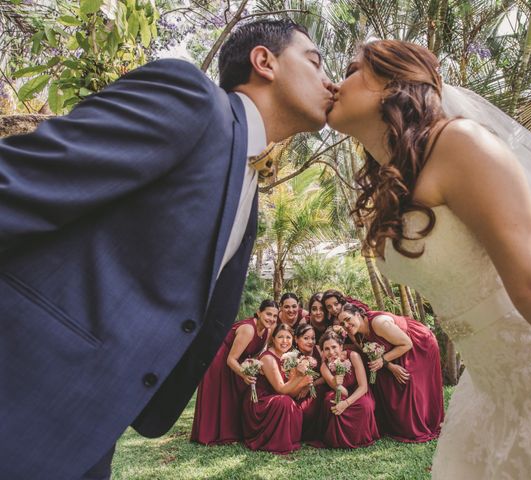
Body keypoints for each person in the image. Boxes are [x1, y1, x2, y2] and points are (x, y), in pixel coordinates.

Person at [0, 19, 336, 479]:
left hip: (90, 423)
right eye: (315, 63)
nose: (329, 81)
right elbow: (21, 183)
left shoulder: (248, 183)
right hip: (23, 383)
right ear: (264, 62)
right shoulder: (194, 99)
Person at [328, 39, 531, 477]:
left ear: (393, 83)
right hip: (497, 388)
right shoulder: (395, 184)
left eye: (352, 69)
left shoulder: (460, 143)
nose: (335, 83)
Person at [338, 303, 444, 443]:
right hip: (397, 348)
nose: (346, 324)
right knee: (389, 380)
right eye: (342, 323)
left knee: (411, 382)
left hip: (419, 343)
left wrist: (382, 361)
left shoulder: (379, 323)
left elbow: (407, 344)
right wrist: (389, 365)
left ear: (358, 314)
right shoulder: (355, 333)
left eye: (347, 319)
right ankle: (399, 422)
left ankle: (427, 421)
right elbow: (370, 353)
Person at [190, 299, 277, 445]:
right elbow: (231, 359)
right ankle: (210, 434)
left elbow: (255, 354)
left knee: (233, 396)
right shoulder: (248, 329)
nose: (272, 319)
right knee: (219, 396)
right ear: (259, 312)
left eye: (275, 316)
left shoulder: (267, 331)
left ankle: (231, 432)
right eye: (268, 314)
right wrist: (244, 374)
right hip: (220, 360)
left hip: (237, 362)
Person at [242, 324, 310, 454]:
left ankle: (289, 439)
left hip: (277, 398)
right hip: (260, 402)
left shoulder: (289, 358)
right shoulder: (268, 358)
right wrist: (299, 378)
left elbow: (291, 393)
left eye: (288, 337)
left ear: (293, 339)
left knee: (291, 402)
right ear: (273, 339)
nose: (285, 341)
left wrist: (302, 383)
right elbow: (280, 389)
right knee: (284, 402)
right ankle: (276, 442)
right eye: (280, 337)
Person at [310, 330, 379, 449]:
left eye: (334, 347)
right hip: (342, 392)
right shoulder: (324, 367)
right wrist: (342, 401)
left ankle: (359, 439)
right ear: (322, 351)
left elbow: (363, 386)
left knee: (365, 405)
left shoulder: (353, 356)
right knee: (331, 402)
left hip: (359, 391)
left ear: (341, 346)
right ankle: (337, 441)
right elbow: (338, 387)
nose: (331, 352)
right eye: (326, 349)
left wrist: (346, 403)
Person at [293, 323, 325, 441]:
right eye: (306, 338)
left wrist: (311, 385)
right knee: (300, 410)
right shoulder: (292, 356)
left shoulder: (318, 350)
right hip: (299, 389)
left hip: (321, 385)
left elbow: (327, 376)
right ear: (296, 339)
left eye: (312, 338)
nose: (310, 341)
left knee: (310, 408)